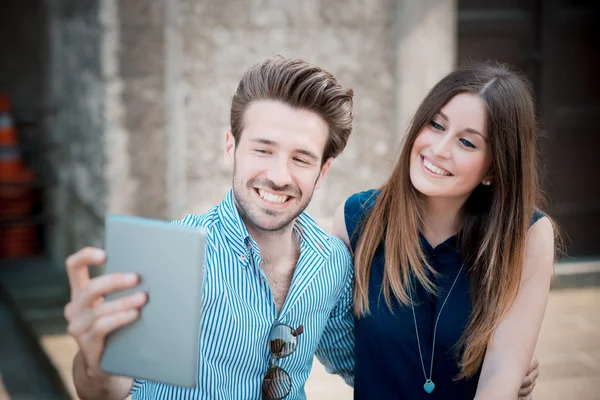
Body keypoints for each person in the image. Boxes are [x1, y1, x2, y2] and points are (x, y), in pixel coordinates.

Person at [63, 56, 356, 400]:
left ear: (322, 171)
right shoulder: (170, 255)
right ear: (230, 148)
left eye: (301, 159)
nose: (279, 176)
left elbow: (361, 366)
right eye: (263, 149)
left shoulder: (333, 261)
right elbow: (109, 388)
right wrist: (96, 364)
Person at [333, 62, 554, 399]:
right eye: (436, 125)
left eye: (467, 142)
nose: (439, 149)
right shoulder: (356, 221)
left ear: (493, 168)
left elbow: (503, 375)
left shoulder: (527, 237)